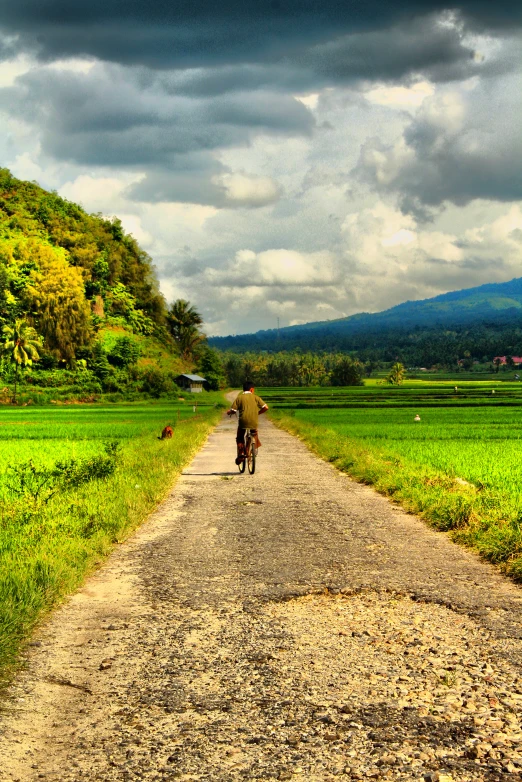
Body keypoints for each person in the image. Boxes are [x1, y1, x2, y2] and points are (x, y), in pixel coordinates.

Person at [227, 381, 268, 465]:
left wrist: (229, 412)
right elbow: (265, 407)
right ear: (252, 389)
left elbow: (233, 410)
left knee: (240, 437)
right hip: (254, 422)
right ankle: (253, 448)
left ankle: (241, 453)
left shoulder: (239, 398)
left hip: (243, 422)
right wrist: (258, 413)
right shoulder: (256, 397)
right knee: (254, 433)